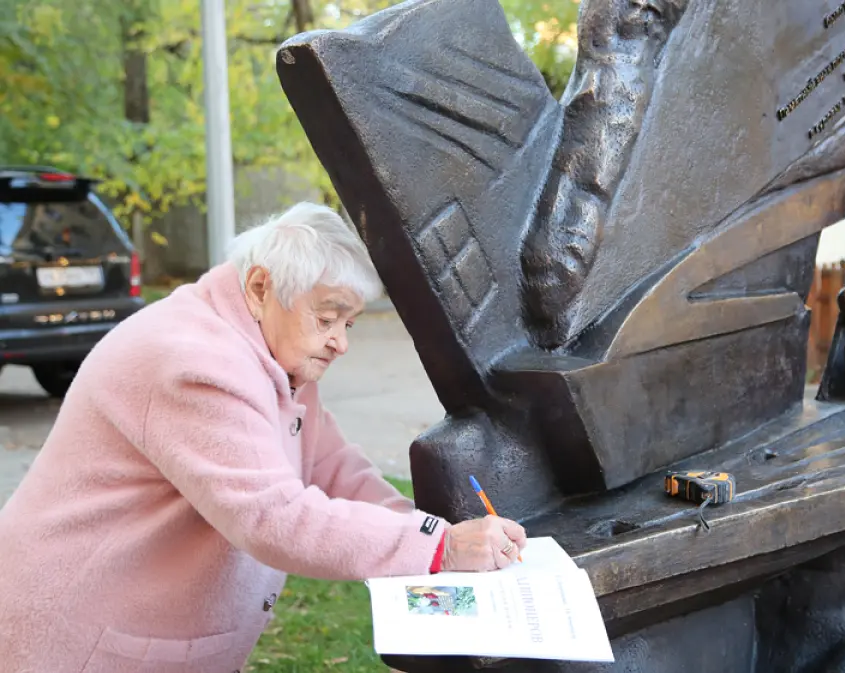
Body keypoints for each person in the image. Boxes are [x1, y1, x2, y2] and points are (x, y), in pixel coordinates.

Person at [0, 202, 527, 673]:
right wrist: (439, 546)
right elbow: (271, 517)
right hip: (80, 637)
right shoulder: (196, 364)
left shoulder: (271, 350)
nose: (340, 342)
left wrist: (430, 536)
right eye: (327, 318)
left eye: (351, 322)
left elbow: (333, 468)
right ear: (259, 288)